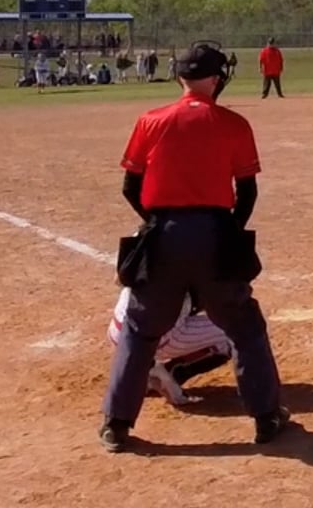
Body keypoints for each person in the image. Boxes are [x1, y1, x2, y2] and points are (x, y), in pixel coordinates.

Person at [100, 41, 287, 453]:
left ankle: (116, 424)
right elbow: (247, 192)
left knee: (140, 329)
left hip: (162, 234)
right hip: (215, 231)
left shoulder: (151, 120)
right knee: (243, 326)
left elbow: (130, 186)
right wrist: (229, 230)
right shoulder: (233, 123)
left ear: (180, 77)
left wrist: (155, 222)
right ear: (217, 79)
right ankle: (266, 417)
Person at [106, 287, 233, 406]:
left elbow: (118, 278)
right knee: (236, 332)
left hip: (120, 332)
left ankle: (143, 368)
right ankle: (171, 370)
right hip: (157, 340)